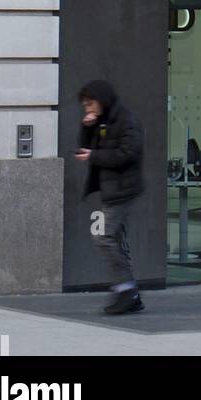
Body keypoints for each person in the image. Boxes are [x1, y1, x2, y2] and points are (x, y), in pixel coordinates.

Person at [75, 79, 145, 315]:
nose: (88, 109)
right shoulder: (102, 121)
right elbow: (85, 148)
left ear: (102, 100)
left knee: (103, 236)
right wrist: (87, 127)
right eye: (85, 106)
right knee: (115, 240)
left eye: (90, 104)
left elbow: (127, 154)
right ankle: (130, 293)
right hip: (111, 189)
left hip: (123, 189)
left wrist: (94, 155)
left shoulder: (126, 121)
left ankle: (126, 288)